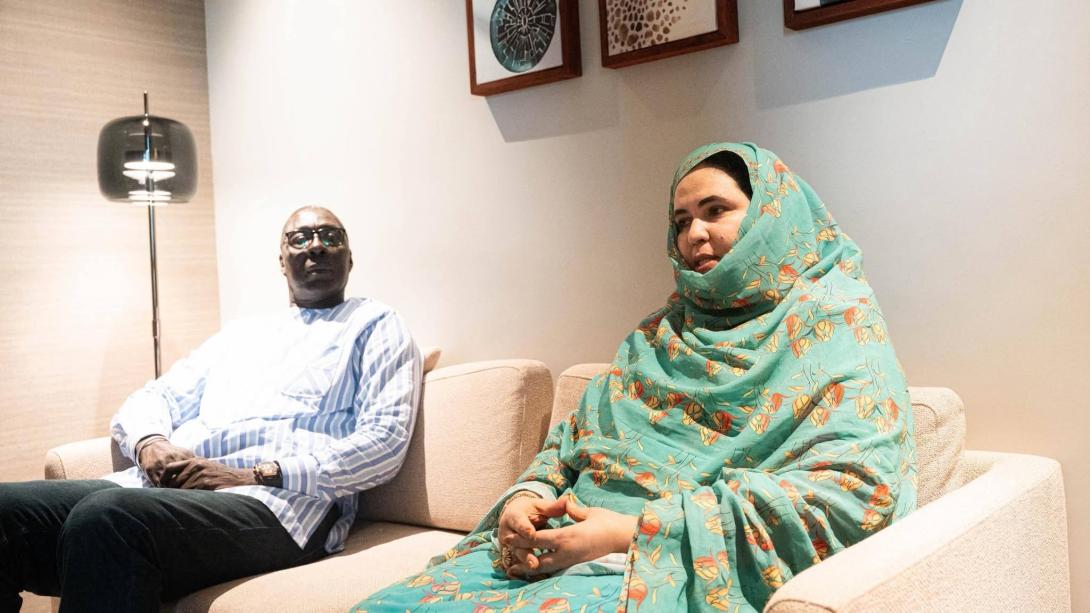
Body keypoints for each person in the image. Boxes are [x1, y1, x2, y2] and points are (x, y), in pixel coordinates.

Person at [352, 143, 916, 612]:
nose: (694, 234)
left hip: (667, 566)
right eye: (681, 221)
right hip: (555, 553)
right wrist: (527, 497)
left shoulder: (836, 326)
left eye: (716, 210)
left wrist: (631, 531)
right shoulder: (657, 335)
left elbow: (852, 495)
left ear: (772, 214)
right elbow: (572, 444)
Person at [0, 206, 421, 612]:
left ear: (350, 258)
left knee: (108, 518)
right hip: (165, 491)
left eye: (331, 237)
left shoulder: (375, 323)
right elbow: (155, 396)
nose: (316, 246)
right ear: (281, 261)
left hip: (277, 505)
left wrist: (252, 474)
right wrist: (150, 443)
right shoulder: (242, 335)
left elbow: (384, 442)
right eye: (300, 238)